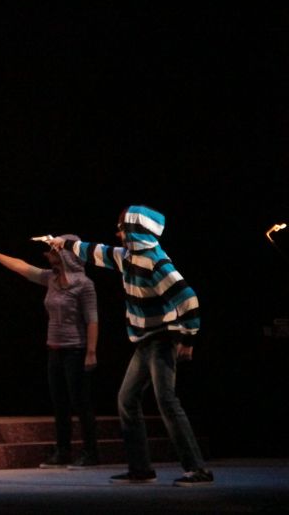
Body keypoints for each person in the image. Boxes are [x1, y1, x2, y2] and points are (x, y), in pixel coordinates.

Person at [49, 205, 214, 487]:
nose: (118, 233)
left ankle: (197, 469)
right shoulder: (128, 257)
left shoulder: (155, 262)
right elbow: (96, 251)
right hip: (145, 340)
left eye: (122, 228)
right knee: (127, 400)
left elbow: (188, 299)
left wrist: (188, 339)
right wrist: (63, 244)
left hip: (163, 338)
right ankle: (141, 469)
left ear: (136, 231)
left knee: (166, 400)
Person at [0, 236, 100, 468]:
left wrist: (91, 352)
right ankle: (62, 451)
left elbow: (92, 320)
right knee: (59, 403)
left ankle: (90, 452)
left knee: (80, 402)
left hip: (76, 350)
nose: (49, 254)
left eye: (54, 251)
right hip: (54, 349)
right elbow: (22, 267)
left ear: (66, 256)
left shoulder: (84, 284)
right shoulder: (51, 278)